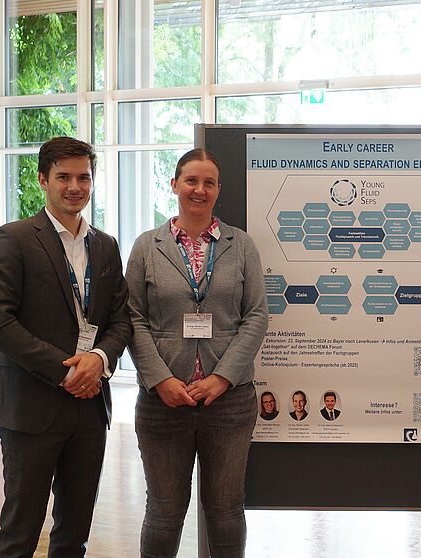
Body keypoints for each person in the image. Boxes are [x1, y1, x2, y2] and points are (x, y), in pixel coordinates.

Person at [0, 136, 133, 557]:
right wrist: (67, 371)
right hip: (31, 407)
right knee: (20, 532)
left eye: (84, 177)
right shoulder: (14, 238)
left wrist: (98, 359)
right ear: (43, 180)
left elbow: (121, 320)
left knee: (74, 534)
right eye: (64, 177)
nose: (75, 186)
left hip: (89, 407)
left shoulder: (105, 245)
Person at [126, 148, 268, 558]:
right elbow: (132, 318)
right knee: (164, 512)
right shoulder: (147, 247)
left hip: (229, 401)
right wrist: (160, 380)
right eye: (191, 180)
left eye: (208, 183)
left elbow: (256, 316)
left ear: (218, 189)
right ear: (174, 185)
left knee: (225, 511)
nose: (199, 190)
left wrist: (222, 377)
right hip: (162, 402)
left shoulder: (241, 245)